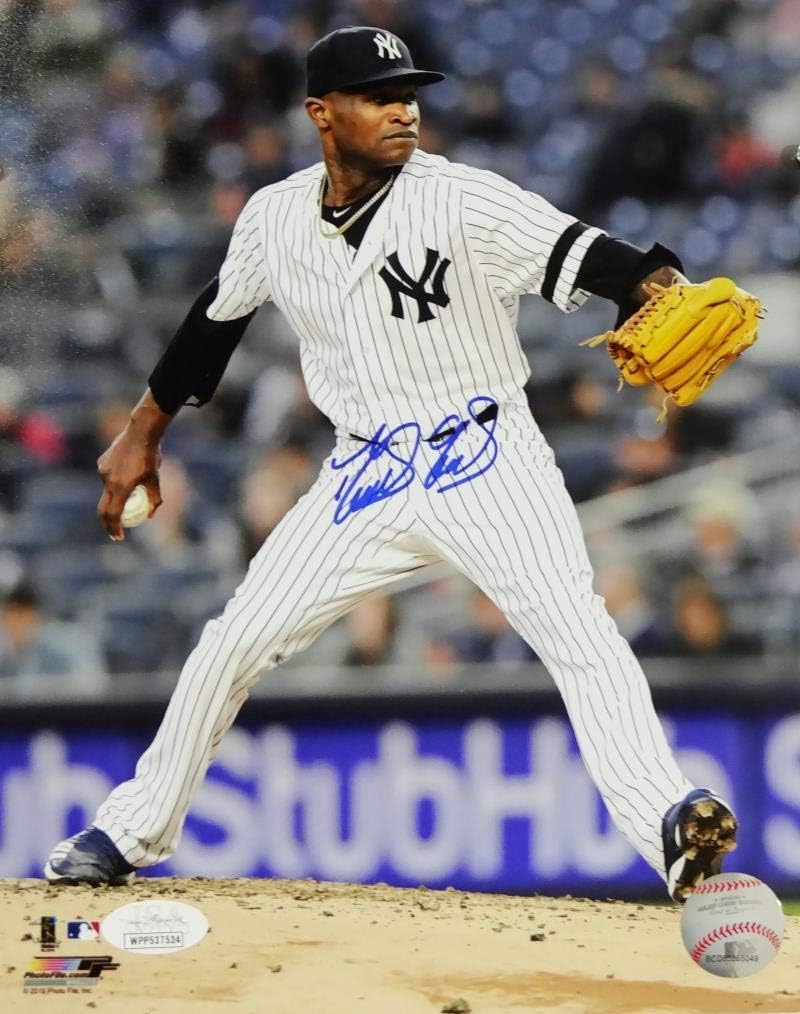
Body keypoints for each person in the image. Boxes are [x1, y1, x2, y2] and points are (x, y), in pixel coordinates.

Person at [45, 25, 739, 902]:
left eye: (408, 94)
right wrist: (142, 431)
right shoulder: (273, 217)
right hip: (362, 476)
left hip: (485, 456)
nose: (404, 110)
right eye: (380, 97)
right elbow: (213, 325)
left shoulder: (464, 199)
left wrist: (659, 286)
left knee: (577, 631)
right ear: (321, 113)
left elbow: (594, 254)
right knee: (234, 642)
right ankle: (129, 830)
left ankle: (669, 822)